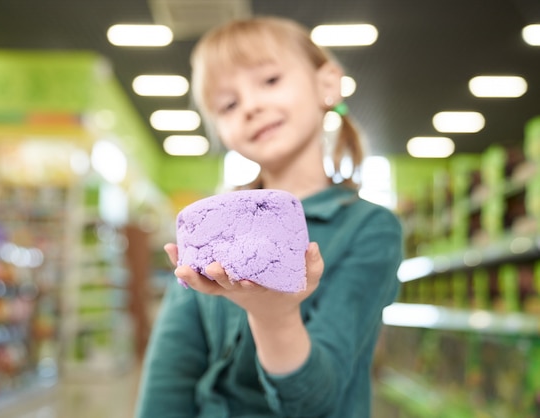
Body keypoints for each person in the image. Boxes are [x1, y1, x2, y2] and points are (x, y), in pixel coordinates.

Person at [135, 16, 403, 418]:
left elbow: (319, 398)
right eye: (228, 104)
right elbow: (171, 372)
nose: (252, 106)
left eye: (270, 80)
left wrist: (274, 317)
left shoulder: (370, 229)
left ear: (326, 84)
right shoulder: (208, 230)